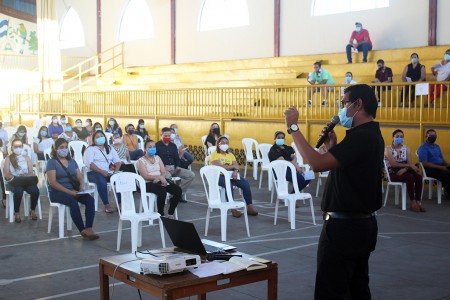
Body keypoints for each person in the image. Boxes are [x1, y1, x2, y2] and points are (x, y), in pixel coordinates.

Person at [284, 84, 384, 299]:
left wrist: (293, 128)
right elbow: (347, 170)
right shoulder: (369, 135)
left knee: (331, 289)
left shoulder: (362, 136)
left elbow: (317, 163)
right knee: (356, 287)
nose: (341, 109)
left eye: (344, 103)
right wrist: (332, 147)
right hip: (360, 225)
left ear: (358, 104)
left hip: (345, 228)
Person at [46, 138, 99, 240]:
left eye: (66, 147)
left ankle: (89, 228)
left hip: (74, 190)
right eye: (61, 147)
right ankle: (82, 230)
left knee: (90, 200)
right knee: (73, 202)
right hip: (57, 192)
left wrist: (81, 187)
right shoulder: (51, 162)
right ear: (56, 149)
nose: (64, 150)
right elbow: (52, 182)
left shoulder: (72, 161)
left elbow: (79, 177)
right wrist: (70, 192)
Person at [209, 135, 258, 217]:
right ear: (218, 144)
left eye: (227, 143)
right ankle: (233, 209)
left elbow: (237, 166)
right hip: (219, 176)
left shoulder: (230, 155)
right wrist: (233, 167)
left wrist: (235, 171)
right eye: (223, 143)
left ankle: (250, 207)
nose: (225, 144)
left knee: (245, 184)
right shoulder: (214, 154)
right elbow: (219, 167)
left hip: (231, 174)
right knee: (229, 185)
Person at [137, 140, 181, 218]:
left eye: (154, 147)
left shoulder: (157, 157)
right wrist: (159, 177)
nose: (152, 148)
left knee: (178, 190)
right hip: (147, 183)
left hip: (159, 180)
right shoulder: (141, 161)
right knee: (162, 191)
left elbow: (163, 171)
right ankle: (161, 214)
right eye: (149, 147)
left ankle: (170, 213)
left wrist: (161, 178)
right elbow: (145, 176)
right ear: (145, 149)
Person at [385, 129, 424, 212]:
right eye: (397, 136)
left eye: (401, 137)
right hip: (393, 172)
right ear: (393, 137)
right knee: (410, 177)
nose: (399, 138)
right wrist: (409, 166)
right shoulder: (388, 149)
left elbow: (409, 162)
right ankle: (413, 202)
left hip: (405, 169)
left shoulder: (406, 148)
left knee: (418, 177)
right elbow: (393, 164)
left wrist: (405, 169)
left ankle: (418, 202)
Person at [3, 138, 40, 223]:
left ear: (22, 147)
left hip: (26, 181)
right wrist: (16, 177)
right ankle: (16, 212)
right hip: (15, 182)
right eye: (16, 146)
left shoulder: (26, 158)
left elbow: (31, 171)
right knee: (18, 191)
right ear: (12, 148)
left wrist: (25, 175)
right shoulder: (8, 158)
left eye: (20, 146)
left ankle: (32, 210)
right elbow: (6, 174)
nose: (18, 148)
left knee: (35, 191)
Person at [84, 130, 121, 213]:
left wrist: (116, 170)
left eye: (101, 136)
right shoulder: (90, 149)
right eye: (97, 137)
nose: (100, 138)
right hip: (94, 173)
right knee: (101, 180)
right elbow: (90, 164)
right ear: (94, 139)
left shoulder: (110, 148)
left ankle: (120, 203)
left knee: (119, 179)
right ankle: (106, 204)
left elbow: (117, 161)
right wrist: (101, 171)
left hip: (110, 172)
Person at [156, 127, 195, 201]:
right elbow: (155, 160)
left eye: (169, 136)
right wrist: (163, 167)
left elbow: (176, 158)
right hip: (164, 169)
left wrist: (177, 166)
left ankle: (178, 194)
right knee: (167, 178)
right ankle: (173, 194)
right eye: (165, 136)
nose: (167, 137)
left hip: (174, 168)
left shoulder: (173, 146)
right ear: (161, 135)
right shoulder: (157, 146)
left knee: (191, 175)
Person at [417, 129, 450, 199]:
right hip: (430, 169)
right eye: (431, 135)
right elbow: (424, 163)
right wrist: (441, 168)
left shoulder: (437, 146)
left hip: (440, 166)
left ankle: (447, 192)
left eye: (434, 135)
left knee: (447, 171)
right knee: (445, 174)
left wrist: (447, 165)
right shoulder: (423, 148)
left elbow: (442, 159)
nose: (433, 137)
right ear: (426, 136)